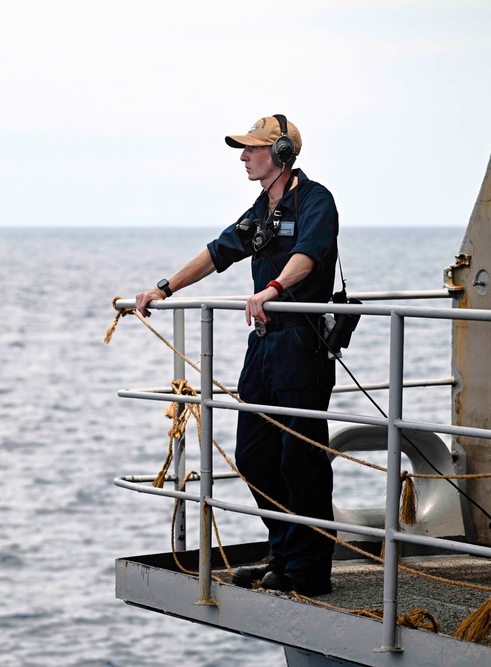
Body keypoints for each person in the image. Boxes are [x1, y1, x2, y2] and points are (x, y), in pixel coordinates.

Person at [135, 114, 338, 595]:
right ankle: (283, 551)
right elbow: (217, 251)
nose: (243, 156)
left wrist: (272, 288)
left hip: (299, 345)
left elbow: (310, 253)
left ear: (282, 154)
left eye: (253, 148)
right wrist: (164, 288)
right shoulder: (260, 211)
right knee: (253, 454)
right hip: (264, 346)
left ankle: (309, 568)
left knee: (300, 458)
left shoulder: (315, 200)